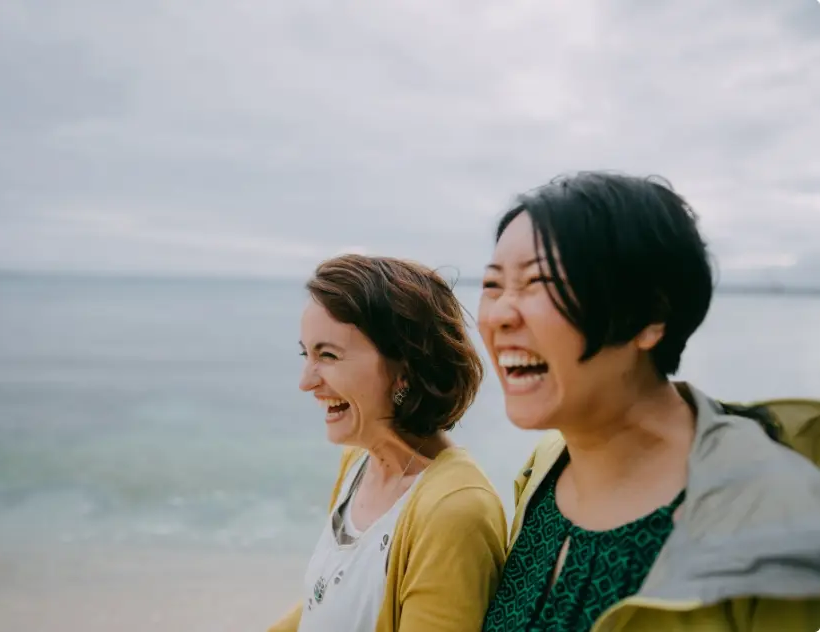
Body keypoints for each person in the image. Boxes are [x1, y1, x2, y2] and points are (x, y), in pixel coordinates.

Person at [475, 171, 820, 632]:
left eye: (540, 281)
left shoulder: (777, 522)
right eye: (493, 285)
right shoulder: (544, 469)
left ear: (649, 317)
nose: (498, 314)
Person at [269, 254, 507, 632]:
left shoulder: (455, 513)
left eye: (327, 355)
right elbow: (328, 597)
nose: (306, 381)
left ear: (405, 370)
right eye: (306, 354)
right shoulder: (360, 465)